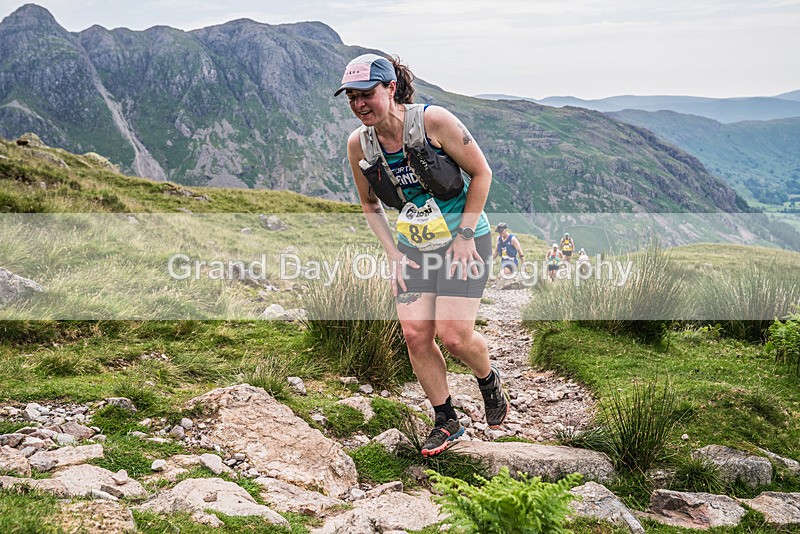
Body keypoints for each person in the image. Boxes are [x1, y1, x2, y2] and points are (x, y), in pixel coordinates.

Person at [336, 53, 509, 457]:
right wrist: (394, 253)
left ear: (391, 88)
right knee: (415, 335)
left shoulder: (434, 122)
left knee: (454, 337)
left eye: (367, 94)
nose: (359, 104)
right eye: (351, 98)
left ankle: (487, 377)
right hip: (414, 247)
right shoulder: (358, 144)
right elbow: (370, 205)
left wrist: (466, 235)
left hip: (464, 241)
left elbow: (481, 174)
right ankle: (446, 421)